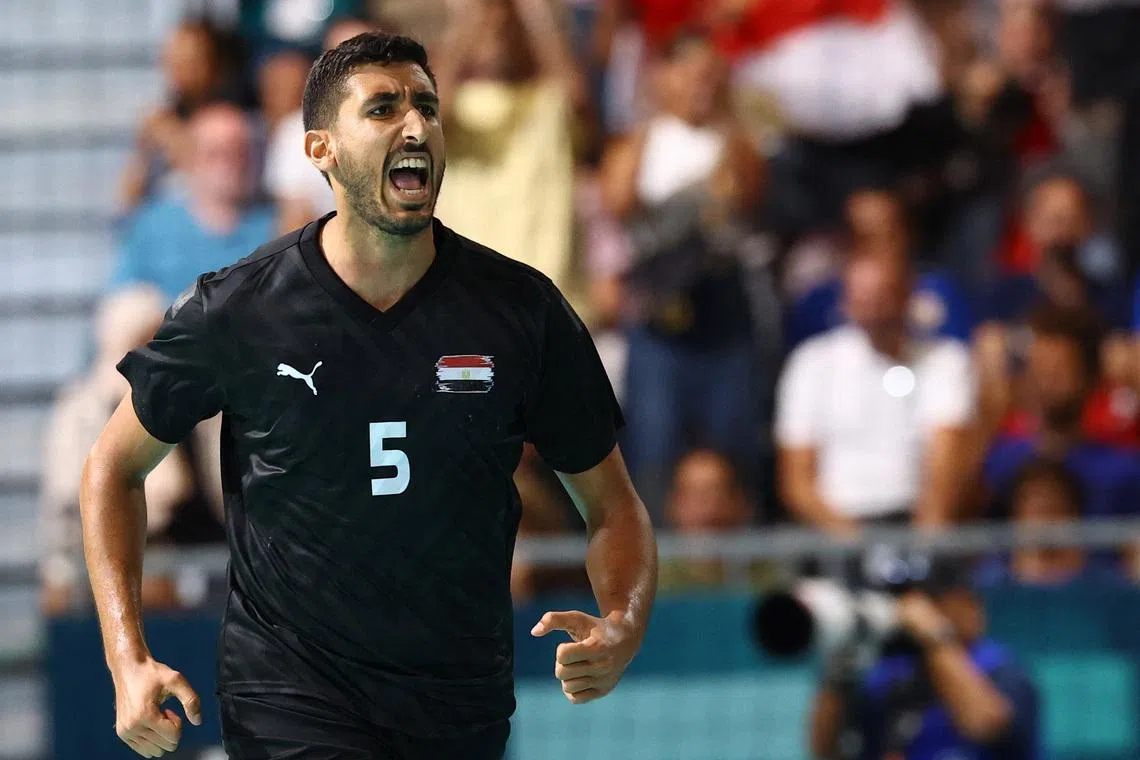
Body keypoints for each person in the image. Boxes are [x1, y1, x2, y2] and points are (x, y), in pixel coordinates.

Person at [80, 32, 657, 760]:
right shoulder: (240, 309)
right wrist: (124, 658)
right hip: (290, 698)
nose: (415, 126)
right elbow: (112, 468)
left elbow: (613, 506)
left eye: (427, 107)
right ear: (320, 149)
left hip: (458, 708)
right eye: (383, 108)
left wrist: (624, 623)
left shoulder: (521, 312)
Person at [776, 253, 976, 534]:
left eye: (882, 293)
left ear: (908, 294)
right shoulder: (812, 363)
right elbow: (797, 478)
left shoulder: (946, 360)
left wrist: (926, 546)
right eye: (861, 295)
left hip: (916, 525)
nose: (873, 307)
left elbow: (947, 459)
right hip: (835, 535)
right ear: (845, 300)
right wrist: (857, 544)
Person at [809, 564, 1041, 760]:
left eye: (928, 601)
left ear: (971, 607)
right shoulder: (887, 675)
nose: (907, 612)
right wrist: (837, 677)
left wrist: (934, 636)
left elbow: (984, 725)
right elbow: (827, 751)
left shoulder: (1000, 668)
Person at [109, 102, 277, 303]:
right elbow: (122, 300)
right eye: (215, 153)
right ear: (191, 158)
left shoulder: (276, 229)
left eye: (238, 153)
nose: (229, 164)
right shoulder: (153, 226)